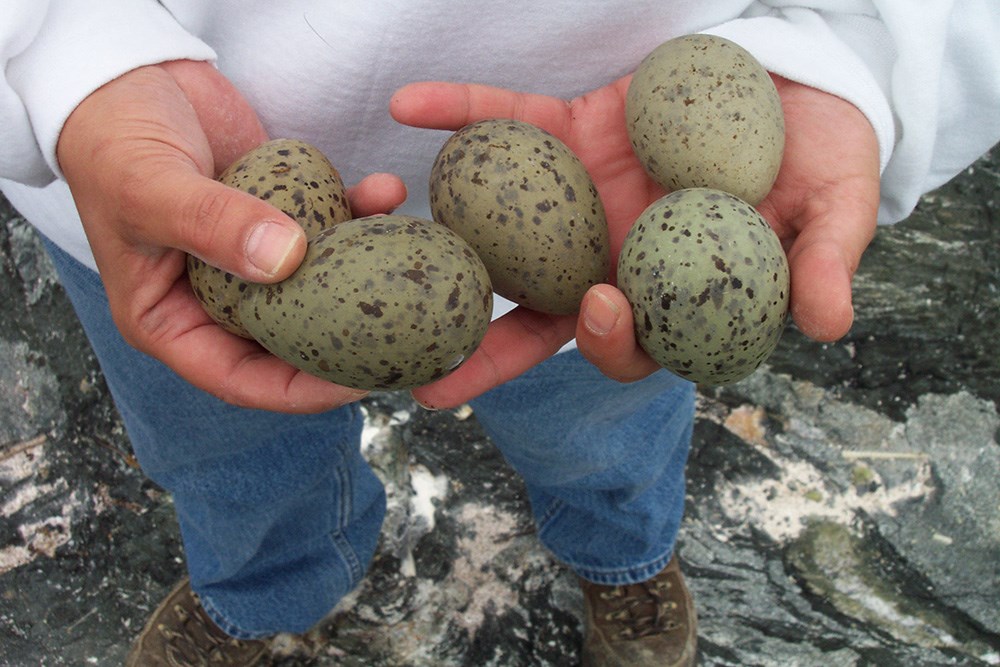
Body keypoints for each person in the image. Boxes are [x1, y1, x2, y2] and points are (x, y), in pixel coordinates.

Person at [2, 2, 998, 665]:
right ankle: (259, 591)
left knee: (606, 425)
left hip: (616, 203)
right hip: (155, 182)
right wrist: (72, 61)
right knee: (226, 450)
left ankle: (621, 557)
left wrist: (853, 57)